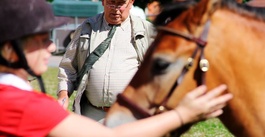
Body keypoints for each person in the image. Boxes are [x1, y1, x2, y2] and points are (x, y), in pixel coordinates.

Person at [0, 1, 233, 136]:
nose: (52, 46)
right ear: (10, 51)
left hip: (131, 112)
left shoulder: (17, 98)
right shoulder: (27, 106)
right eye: (41, 40)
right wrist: (184, 114)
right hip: (93, 113)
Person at [57, 0, 157, 122]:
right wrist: (63, 95)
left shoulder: (147, 31)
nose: (115, 9)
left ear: (131, 3)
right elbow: (68, 67)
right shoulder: (87, 27)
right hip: (91, 116)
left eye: (120, 4)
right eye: (111, 2)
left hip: (129, 116)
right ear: (103, 2)